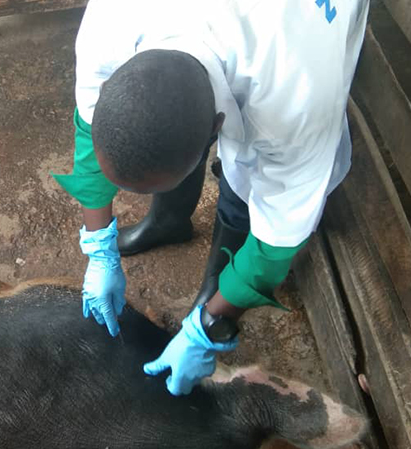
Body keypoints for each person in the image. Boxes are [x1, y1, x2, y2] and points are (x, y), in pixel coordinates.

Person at [52, 0, 369, 395]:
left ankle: (218, 280)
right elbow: (90, 139)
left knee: (245, 187)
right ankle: (168, 221)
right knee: (166, 142)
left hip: (301, 21)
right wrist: (98, 247)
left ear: (218, 128)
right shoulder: (109, 25)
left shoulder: (295, 102)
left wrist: (212, 324)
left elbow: (277, 238)